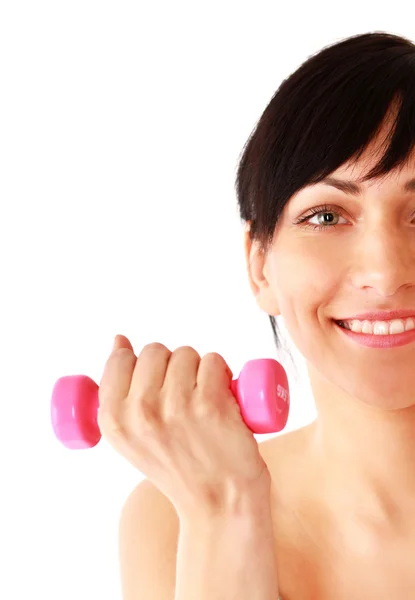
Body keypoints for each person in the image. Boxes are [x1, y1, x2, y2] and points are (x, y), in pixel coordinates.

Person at [109, 30, 415, 599]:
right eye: (326, 216)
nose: (386, 270)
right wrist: (226, 510)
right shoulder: (170, 518)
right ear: (260, 267)